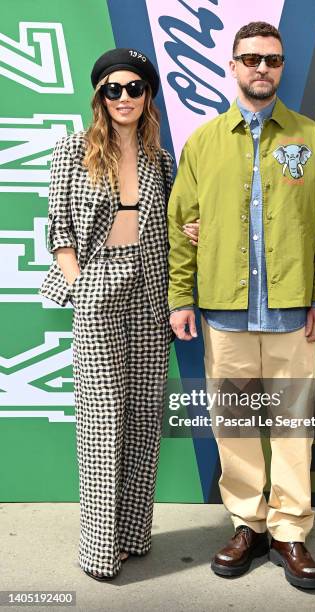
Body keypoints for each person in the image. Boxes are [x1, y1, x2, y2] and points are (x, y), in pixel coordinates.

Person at [167, 22, 315, 589]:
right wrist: (180, 297)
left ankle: (290, 531)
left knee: (294, 424)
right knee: (236, 424)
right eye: (250, 59)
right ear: (233, 67)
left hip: (293, 313)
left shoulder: (311, 140)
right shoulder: (203, 142)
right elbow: (180, 225)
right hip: (225, 311)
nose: (261, 68)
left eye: (270, 59)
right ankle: (248, 523)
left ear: (281, 66)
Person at [39, 48, 198, 581]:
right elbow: (58, 229)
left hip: (152, 290)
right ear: (99, 95)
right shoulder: (71, 151)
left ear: (147, 95)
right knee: (103, 422)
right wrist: (81, 286)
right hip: (98, 284)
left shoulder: (161, 159)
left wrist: (191, 234)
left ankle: (132, 534)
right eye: (114, 88)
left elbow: (175, 227)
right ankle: (99, 550)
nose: (124, 97)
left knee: (143, 420)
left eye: (134, 88)